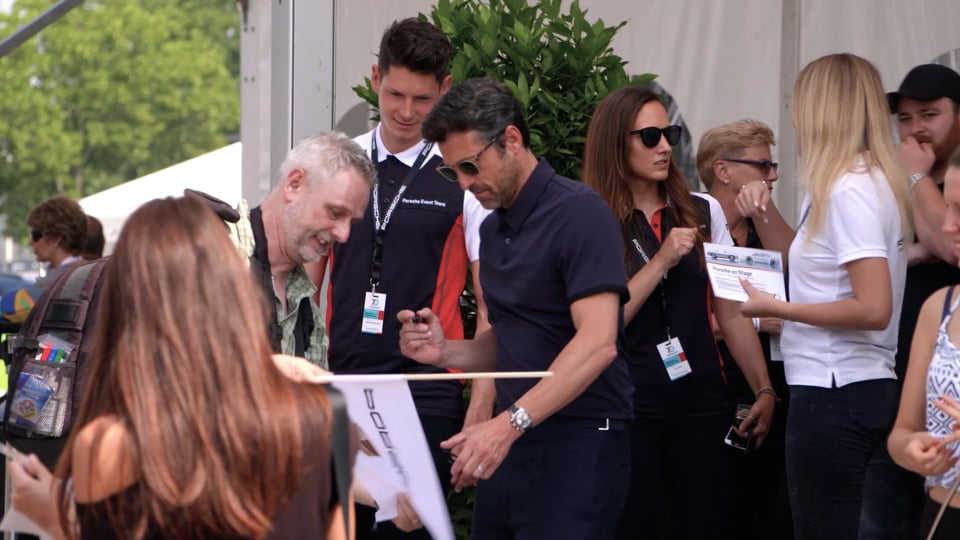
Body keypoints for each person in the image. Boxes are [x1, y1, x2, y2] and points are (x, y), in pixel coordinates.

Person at [7, 195, 358, 540]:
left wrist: (57, 521)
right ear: (234, 291)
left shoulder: (109, 446)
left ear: (125, 305)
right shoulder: (322, 418)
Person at [399, 77, 633, 539]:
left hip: (578, 440)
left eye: (469, 166)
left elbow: (599, 342)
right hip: (515, 439)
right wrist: (445, 353)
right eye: (452, 173)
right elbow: (513, 340)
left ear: (511, 139)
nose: (465, 185)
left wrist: (507, 424)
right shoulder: (493, 228)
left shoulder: (579, 212)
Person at [316, 19, 492, 538]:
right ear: (375, 78)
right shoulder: (339, 161)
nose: (407, 112)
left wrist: (479, 412)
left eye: (422, 98)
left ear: (446, 89)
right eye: (395, 94)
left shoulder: (463, 176)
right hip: (341, 389)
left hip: (425, 395)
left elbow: (489, 306)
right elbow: (304, 287)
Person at [582, 87, 776, 540]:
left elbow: (730, 312)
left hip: (704, 401)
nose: (665, 146)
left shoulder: (702, 210)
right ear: (616, 142)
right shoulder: (591, 217)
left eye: (667, 133)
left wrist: (763, 387)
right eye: (649, 136)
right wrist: (661, 262)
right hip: (629, 404)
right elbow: (602, 322)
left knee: (706, 522)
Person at [740, 53, 913, 540]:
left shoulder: (847, 190)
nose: (794, 116)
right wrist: (763, 213)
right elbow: (807, 264)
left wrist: (779, 309)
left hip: (836, 392)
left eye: (801, 102)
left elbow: (874, 307)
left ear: (822, 110)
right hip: (858, 388)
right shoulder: (856, 181)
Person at [866, 64, 960, 539]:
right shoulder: (890, 181)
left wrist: (916, 175)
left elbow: (948, 246)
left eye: (929, 114)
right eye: (904, 119)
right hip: (892, 375)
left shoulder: (919, 177)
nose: (915, 128)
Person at [697, 118, 793, 540]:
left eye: (773, 167)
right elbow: (682, 315)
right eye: (762, 165)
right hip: (714, 386)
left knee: (771, 507)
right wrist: (756, 320)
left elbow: (804, 276)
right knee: (721, 505)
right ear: (724, 171)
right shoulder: (690, 225)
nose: (771, 175)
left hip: (777, 382)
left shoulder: (766, 228)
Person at [246, 132, 375, 367]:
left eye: (352, 223)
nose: (343, 234)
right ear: (294, 184)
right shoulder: (214, 254)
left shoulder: (308, 310)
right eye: (335, 213)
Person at [889, 148, 960, 540]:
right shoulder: (941, 307)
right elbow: (902, 432)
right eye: (947, 206)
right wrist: (913, 450)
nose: (949, 225)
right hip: (941, 514)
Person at [26, 196, 88, 289]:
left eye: (36, 235)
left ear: (56, 239)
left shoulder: (47, 286)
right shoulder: (100, 274)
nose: (30, 242)